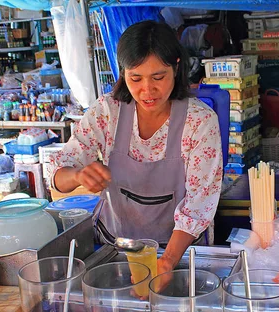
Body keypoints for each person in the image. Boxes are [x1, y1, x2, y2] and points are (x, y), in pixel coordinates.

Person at [51, 20, 223, 277]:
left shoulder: (199, 121)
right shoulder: (107, 111)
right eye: (136, 78)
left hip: (177, 253)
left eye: (158, 77)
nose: (147, 90)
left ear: (176, 68)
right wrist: (77, 175)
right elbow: (57, 175)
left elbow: (200, 203)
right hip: (114, 249)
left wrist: (167, 262)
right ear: (123, 74)